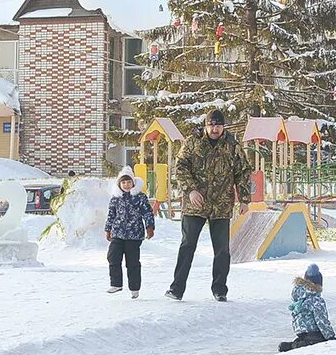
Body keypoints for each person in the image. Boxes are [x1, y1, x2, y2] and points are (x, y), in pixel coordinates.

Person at [166, 109, 252, 302]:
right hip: (195, 204)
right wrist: (191, 189)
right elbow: (180, 166)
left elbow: (243, 171)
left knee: (222, 250)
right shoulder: (193, 141)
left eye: (219, 125)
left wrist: (244, 199)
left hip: (221, 205)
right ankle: (176, 288)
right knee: (187, 245)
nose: (215, 129)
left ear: (224, 126)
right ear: (206, 125)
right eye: (212, 125)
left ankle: (219, 289)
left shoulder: (232, 145)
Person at [105, 167, 155, 298]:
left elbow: (147, 213)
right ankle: (116, 284)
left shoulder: (140, 197)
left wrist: (150, 227)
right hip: (118, 233)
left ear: (133, 183)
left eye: (128, 182)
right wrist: (108, 229)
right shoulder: (116, 198)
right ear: (119, 184)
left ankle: (134, 287)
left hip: (134, 235)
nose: (126, 185)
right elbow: (111, 214)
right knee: (113, 256)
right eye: (123, 183)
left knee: (132, 262)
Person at [278, 264, 336, 352]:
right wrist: (330, 337)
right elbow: (321, 320)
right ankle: (295, 345)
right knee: (319, 342)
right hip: (314, 333)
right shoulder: (316, 300)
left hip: (301, 333)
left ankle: (294, 344)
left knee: (307, 340)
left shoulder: (298, 298)